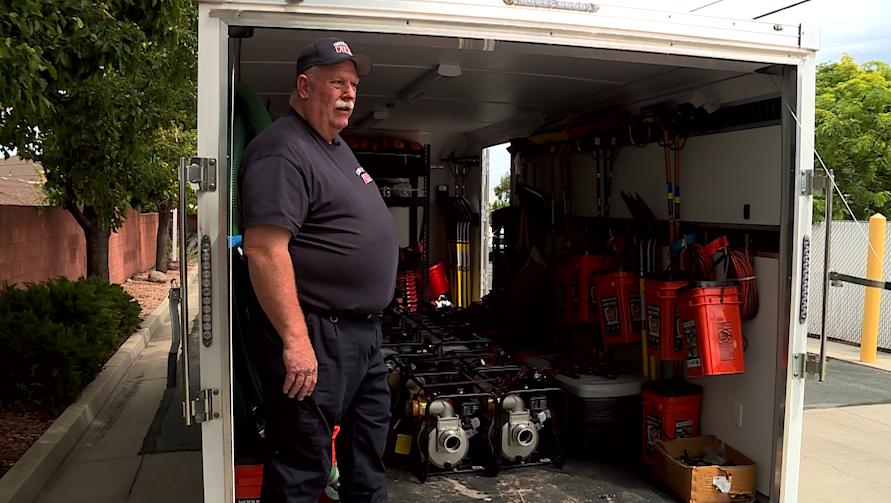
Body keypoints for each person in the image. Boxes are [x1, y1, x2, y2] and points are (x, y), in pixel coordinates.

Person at [238, 37, 396, 503]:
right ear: (305, 86)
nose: (349, 93)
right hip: (317, 336)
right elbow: (265, 251)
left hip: (360, 337)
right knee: (301, 470)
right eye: (337, 83)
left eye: (353, 85)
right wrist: (295, 340)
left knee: (367, 458)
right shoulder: (282, 151)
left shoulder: (333, 145)